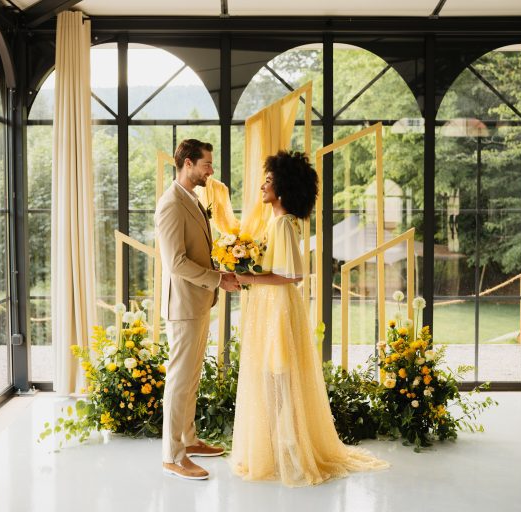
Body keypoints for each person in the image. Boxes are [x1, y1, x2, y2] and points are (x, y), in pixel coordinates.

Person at [230, 150, 388, 487]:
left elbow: (293, 275)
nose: (262, 186)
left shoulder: (284, 224)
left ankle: (291, 450)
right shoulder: (276, 222)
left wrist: (249, 278)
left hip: (278, 307)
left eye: (268, 181)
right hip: (269, 305)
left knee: (280, 378)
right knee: (271, 379)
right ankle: (277, 448)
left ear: (283, 188)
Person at [155, 139, 241, 480]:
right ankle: (172, 456)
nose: (211, 170)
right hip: (184, 305)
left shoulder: (193, 197)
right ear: (187, 164)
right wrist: (218, 279)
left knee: (190, 378)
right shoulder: (171, 204)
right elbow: (175, 262)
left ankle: (188, 440)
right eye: (206, 164)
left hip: (199, 301)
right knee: (178, 382)